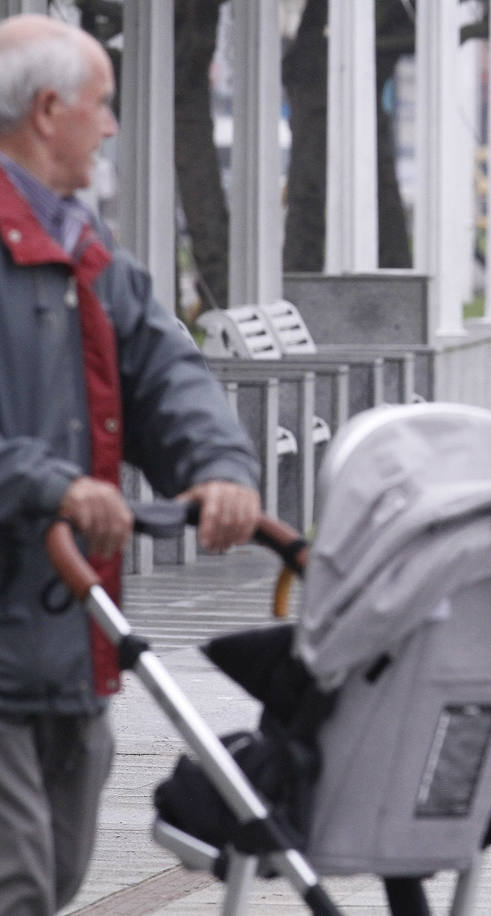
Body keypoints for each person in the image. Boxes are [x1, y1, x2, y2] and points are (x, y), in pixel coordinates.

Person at [0, 14, 262, 914]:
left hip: (69, 633)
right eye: (100, 106)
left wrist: (220, 468)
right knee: (19, 885)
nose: (111, 126)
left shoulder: (88, 247)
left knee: (60, 870)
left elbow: (165, 372)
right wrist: (53, 485)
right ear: (47, 111)